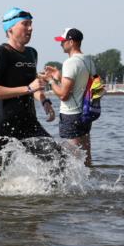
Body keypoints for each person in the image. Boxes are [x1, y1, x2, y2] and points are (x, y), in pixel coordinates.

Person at [0, 7, 58, 183]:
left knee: (58, 160)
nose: (30, 28)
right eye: (25, 24)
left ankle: (50, 204)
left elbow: (34, 86)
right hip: (3, 128)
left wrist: (45, 101)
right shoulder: (1, 52)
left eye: (31, 24)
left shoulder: (32, 53)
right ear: (10, 29)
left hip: (29, 124)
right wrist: (28, 89)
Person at [44, 28, 95, 167]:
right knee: (86, 158)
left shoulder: (70, 62)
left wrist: (50, 81)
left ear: (71, 42)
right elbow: (80, 85)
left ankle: (74, 187)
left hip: (71, 116)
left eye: (63, 41)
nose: (61, 44)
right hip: (85, 114)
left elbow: (64, 95)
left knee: (72, 161)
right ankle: (91, 184)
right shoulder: (89, 60)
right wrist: (59, 76)